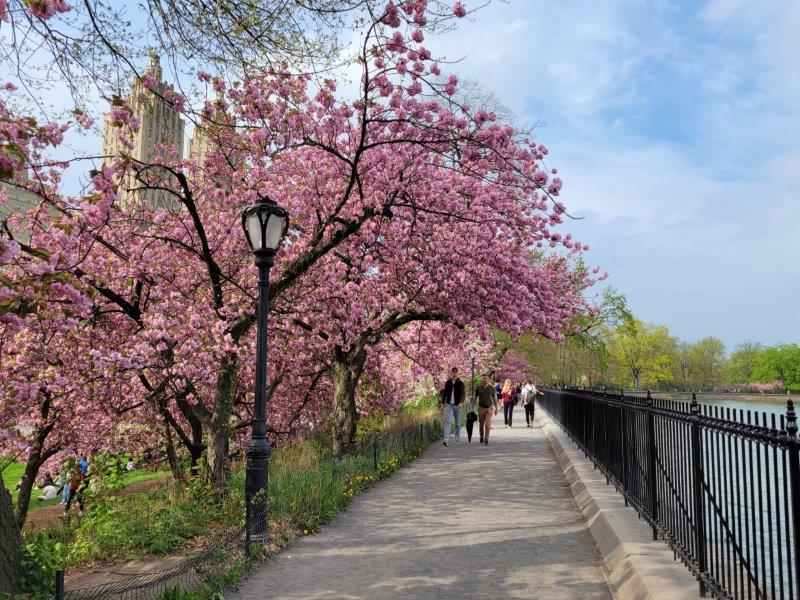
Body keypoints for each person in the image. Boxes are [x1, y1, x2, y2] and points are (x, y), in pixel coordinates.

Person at [440, 367, 465, 446]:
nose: (454, 373)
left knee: (458, 423)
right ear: (451, 373)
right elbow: (444, 393)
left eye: (455, 372)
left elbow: (463, 394)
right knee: (447, 422)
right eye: (453, 372)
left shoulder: (460, 383)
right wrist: (442, 403)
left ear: (457, 373)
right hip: (449, 405)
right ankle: (446, 440)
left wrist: (461, 402)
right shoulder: (448, 382)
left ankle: (457, 439)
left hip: (457, 405)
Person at [474, 374, 499, 445]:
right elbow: (475, 398)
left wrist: (496, 408)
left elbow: (494, 398)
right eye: (482, 378)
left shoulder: (491, 388)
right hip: (481, 408)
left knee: (487, 424)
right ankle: (481, 436)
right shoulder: (478, 388)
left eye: (485, 378)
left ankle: (486, 439)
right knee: (481, 424)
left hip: (489, 408)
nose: (483, 379)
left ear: (488, 379)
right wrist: (473, 408)